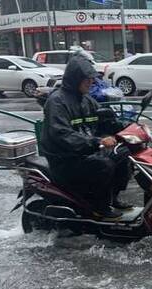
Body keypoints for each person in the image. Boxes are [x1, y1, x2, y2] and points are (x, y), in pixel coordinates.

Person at [39, 53, 132, 219]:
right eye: (86, 79)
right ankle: (98, 206)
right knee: (104, 164)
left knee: (123, 153)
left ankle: (113, 198)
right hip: (65, 159)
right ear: (75, 79)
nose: (91, 82)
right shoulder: (57, 101)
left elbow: (105, 120)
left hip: (84, 152)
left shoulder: (86, 100)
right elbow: (62, 134)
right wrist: (98, 141)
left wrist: (128, 128)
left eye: (92, 78)